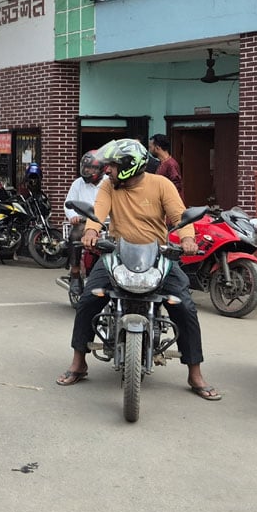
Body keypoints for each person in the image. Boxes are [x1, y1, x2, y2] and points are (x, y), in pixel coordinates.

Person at [56, 138, 220, 401]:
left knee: (185, 307)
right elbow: (97, 213)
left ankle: (195, 372)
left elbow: (180, 216)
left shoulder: (161, 184)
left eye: (112, 166)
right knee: (88, 299)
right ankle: (78, 362)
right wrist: (90, 231)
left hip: (157, 255)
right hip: (118, 253)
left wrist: (187, 238)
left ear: (130, 166)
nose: (107, 171)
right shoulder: (109, 186)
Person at [61, 150, 103, 296]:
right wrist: (73, 216)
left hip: (107, 222)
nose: (88, 171)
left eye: (92, 168)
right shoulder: (78, 183)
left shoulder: (108, 184)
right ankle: (75, 272)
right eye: (86, 167)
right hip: (84, 221)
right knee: (76, 233)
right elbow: (68, 203)